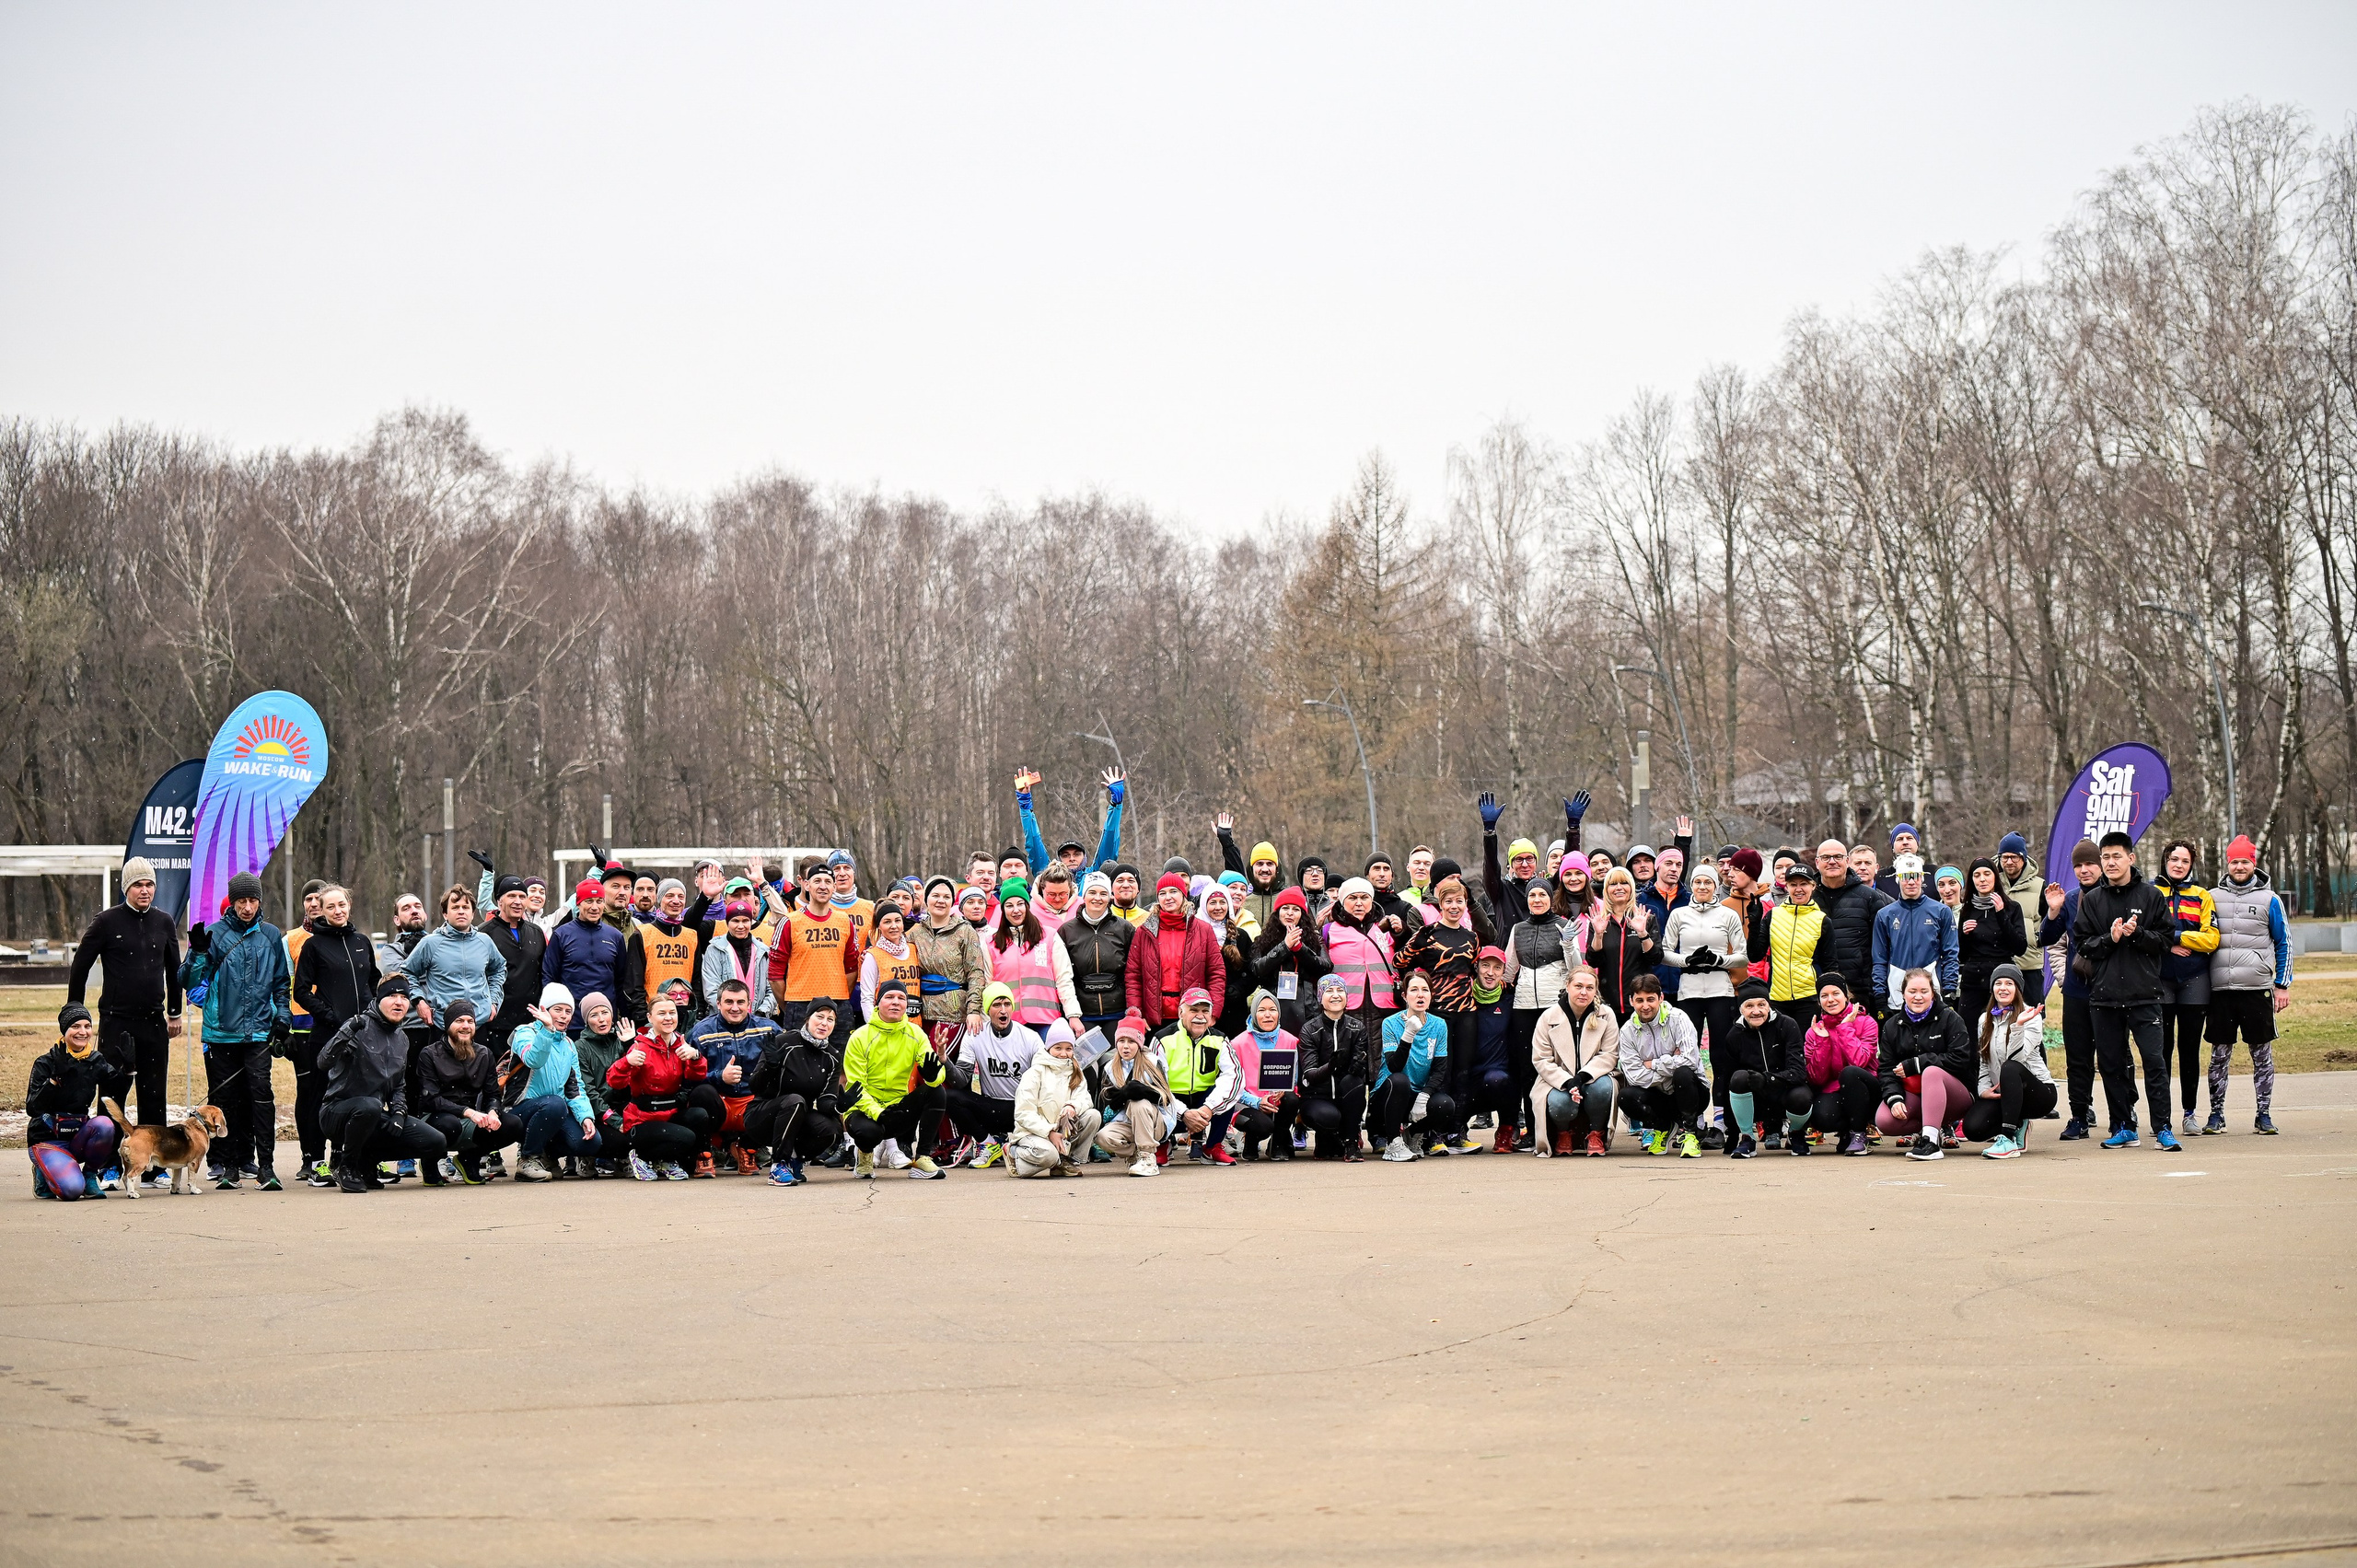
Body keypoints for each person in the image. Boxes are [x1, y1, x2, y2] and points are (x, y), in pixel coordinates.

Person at [178, 871, 291, 1189]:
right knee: (225, 1101)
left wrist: (283, 1017)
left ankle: (266, 1166)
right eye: (241, 900)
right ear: (232, 902)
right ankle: (228, 1166)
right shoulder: (214, 934)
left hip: (257, 1032)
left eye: (252, 900)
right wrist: (198, 953)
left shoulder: (270, 935)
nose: (247, 907)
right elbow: (186, 980)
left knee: (261, 1097)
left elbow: (282, 983)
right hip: (220, 1032)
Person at [2074, 830, 2179, 1151]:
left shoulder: (2151, 897)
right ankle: (2123, 1126)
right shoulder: (2092, 900)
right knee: (2111, 1065)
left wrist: (2137, 934)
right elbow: (2082, 945)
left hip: (2145, 994)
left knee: (2154, 1062)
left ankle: (2162, 1128)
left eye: (2116, 856)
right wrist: (2112, 939)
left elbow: (2165, 941)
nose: (2110, 862)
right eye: (2105, 857)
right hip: (2104, 997)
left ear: (2131, 858)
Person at [65, 854, 182, 1137]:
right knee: (112, 1094)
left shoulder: (164, 922)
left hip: (153, 1022)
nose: (145, 890)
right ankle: (108, 1165)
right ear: (126, 888)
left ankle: (155, 1167)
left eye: (150, 885)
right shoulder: (107, 922)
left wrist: (175, 1012)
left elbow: (174, 969)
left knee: (154, 1095)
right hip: (117, 1023)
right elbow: (80, 966)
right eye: (138, 885)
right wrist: (74, 1013)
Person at [317, 978, 449, 1193]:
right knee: (369, 1106)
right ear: (378, 999)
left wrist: (398, 1113)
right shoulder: (358, 1026)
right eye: (392, 996)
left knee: (435, 1141)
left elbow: (398, 1085)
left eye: (404, 997)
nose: (399, 1002)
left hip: (374, 1114)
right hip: (337, 1113)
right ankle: (347, 1166)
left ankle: (366, 1163)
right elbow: (323, 1062)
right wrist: (348, 1030)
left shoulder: (402, 1039)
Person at [289, 885, 380, 1186]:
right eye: (331, 907)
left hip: (363, 1037)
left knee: (356, 1099)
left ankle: (344, 1158)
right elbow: (301, 991)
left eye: (342, 905)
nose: (337, 911)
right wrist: (330, 1015)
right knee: (320, 1098)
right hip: (327, 1037)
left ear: (349, 905)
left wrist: (372, 1012)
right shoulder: (313, 946)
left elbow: (372, 983)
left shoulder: (362, 941)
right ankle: (316, 1162)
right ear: (322, 911)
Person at [1394, 874, 1492, 1153]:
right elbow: (1399, 961)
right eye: (1448, 901)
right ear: (1440, 904)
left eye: (1459, 901)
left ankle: (1457, 1131)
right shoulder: (1429, 933)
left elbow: (1474, 969)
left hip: (1466, 1011)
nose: (1454, 906)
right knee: (1442, 1072)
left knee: (1463, 1071)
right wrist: (1415, 940)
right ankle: (1432, 1134)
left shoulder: (1472, 937)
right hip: (1439, 1014)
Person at [2204, 833, 2290, 1135]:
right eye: (2235, 861)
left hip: (2256, 990)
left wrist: (2282, 984)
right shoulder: (2211, 897)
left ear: (2253, 863)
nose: (2239, 867)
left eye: (2245, 861)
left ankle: (2263, 1114)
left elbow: (2284, 943)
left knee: (2261, 1053)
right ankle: (2216, 1114)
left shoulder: (2270, 900)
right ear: (2227, 864)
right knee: (2219, 1055)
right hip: (2221, 991)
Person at [1662, 864, 1747, 1133]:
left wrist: (1720, 960)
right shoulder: (1679, 914)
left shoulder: (1727, 914)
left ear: (1714, 886)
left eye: (1707, 883)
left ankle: (1720, 1116)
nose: (1702, 887)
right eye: (1697, 882)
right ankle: (1694, 1114)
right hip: (1689, 993)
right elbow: (1664, 952)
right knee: (1689, 1056)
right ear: (1692, 885)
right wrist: (1686, 961)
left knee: (1721, 1056)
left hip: (1720, 991)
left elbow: (1743, 956)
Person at [842, 982, 949, 1179]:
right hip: (864, 1112)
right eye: (889, 997)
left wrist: (934, 1076)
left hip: (897, 1109)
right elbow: (856, 1088)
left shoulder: (916, 1033)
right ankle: (865, 1154)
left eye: (901, 998)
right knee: (868, 1133)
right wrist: (878, 1113)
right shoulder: (860, 1037)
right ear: (878, 1002)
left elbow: (933, 1072)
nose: (895, 1003)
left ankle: (923, 1157)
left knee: (937, 1092)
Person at [607, 994, 719, 1180]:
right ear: (650, 1018)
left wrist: (696, 1057)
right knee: (687, 1137)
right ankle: (640, 1156)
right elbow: (614, 1082)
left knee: (700, 1116)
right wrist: (627, 1061)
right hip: (642, 1119)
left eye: (672, 1013)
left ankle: (666, 1160)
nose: (668, 1018)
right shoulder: (640, 1046)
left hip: (670, 1113)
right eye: (662, 1013)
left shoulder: (680, 1043)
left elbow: (697, 1076)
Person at [413, 998, 523, 1184]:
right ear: (448, 1025)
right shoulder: (429, 1054)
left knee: (513, 1124)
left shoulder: (484, 1054)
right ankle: (430, 1161)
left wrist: (493, 1112)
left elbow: (492, 1094)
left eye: (470, 1021)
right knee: (449, 1125)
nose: (465, 1026)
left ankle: (469, 1158)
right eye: (459, 1021)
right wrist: (468, 1113)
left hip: (471, 1119)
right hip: (436, 1117)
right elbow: (431, 1099)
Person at [1873, 968, 1978, 1161]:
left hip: (1957, 1094)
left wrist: (1917, 1064)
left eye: (1924, 991)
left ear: (1933, 993)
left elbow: (1961, 1059)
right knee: (1884, 1121)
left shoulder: (1950, 1018)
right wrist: (1894, 1098)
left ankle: (1930, 1143)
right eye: (1912, 991)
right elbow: (1886, 1068)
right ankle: (1932, 1125)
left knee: (1931, 1072)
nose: (1918, 997)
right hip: (1917, 1094)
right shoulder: (1891, 1026)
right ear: (1903, 994)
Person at [2153, 841, 2221, 1138]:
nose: (2179, 865)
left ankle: (2190, 1113)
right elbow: (2145, 934)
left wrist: (2177, 939)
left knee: (2189, 1050)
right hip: (2160, 979)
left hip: (2195, 979)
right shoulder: (2152, 893)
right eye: (2174, 859)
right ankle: (2162, 1117)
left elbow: (2212, 939)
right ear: (2165, 860)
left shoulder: (2203, 896)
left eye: (2185, 861)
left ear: (2192, 865)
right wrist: (2172, 941)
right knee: (2162, 1050)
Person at [743, 1001, 851, 1186]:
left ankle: (796, 1159)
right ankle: (778, 1165)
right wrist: (770, 1066)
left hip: (799, 1118)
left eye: (830, 1019)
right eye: (820, 1017)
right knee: (795, 1101)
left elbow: (826, 1099)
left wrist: (838, 1106)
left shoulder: (832, 1056)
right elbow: (755, 1087)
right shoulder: (783, 1042)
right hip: (762, 1116)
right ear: (807, 1019)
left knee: (832, 1129)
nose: (825, 1023)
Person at [1500, 877, 1572, 1150]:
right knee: (1528, 1071)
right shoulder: (1518, 929)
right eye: (1532, 895)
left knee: (1560, 1067)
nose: (1537, 900)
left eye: (1543, 894)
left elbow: (1576, 966)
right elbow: (1508, 970)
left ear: (1551, 898)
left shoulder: (1564, 926)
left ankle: (1562, 1129)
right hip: (1524, 1007)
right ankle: (1533, 1130)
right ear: (1527, 899)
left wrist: (1568, 944)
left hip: (1556, 1007)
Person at [505, 984, 603, 1180]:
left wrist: (586, 1117)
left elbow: (575, 1089)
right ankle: (528, 1158)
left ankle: (546, 1155)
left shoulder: (568, 1045)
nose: (564, 1016)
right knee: (554, 1103)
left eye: (568, 1011)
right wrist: (548, 1031)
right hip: (519, 1111)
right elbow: (534, 1060)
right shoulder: (524, 1032)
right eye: (557, 1010)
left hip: (553, 1112)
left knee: (591, 1143)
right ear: (545, 1010)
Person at [1960, 965, 2058, 1158]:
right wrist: (1983, 1090)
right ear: (1992, 989)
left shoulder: (2031, 1016)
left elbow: (2017, 1060)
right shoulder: (1984, 1020)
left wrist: (2018, 1025)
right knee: (1973, 1129)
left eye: (2009, 983)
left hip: (2038, 1094)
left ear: (2018, 989)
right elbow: (1984, 1062)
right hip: (2004, 1093)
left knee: (2010, 1067)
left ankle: (2007, 1139)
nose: (2003, 988)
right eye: (1998, 983)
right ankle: (2018, 1121)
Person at [682, 983, 780, 1175]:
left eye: (740, 1002)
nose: (735, 1008)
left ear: (749, 1004)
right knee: (701, 1093)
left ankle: (747, 1148)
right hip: (720, 1104)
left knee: (782, 1095)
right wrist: (720, 1077)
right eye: (729, 1002)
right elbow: (687, 1078)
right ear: (718, 1004)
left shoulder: (769, 1029)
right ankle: (704, 1154)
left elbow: (788, 1065)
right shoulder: (701, 1032)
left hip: (752, 1103)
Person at [26, 1005, 121, 1201]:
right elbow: (32, 1108)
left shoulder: (95, 1060)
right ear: (65, 1030)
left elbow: (116, 1087)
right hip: (47, 1140)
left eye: (87, 1026)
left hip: (78, 1138)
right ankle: (43, 1173)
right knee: (72, 1191)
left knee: (104, 1124)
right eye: (76, 1026)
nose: (83, 1032)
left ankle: (90, 1175)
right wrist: (54, 1079)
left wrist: (128, 1069)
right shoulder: (46, 1062)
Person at [946, 982, 1041, 1168]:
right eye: (997, 1005)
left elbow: (1045, 1081)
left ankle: (1017, 1143)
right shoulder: (975, 1035)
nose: (1003, 1010)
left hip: (1024, 1109)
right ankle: (987, 1143)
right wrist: (944, 1059)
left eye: (1007, 1004)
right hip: (992, 1108)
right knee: (949, 1097)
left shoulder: (1030, 1037)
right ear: (988, 1010)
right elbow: (960, 1080)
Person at [1528, 967, 1620, 1157]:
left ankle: (1596, 1134)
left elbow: (1610, 1055)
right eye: (1578, 986)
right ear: (1567, 986)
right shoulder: (1548, 1017)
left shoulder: (1606, 1014)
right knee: (1560, 1102)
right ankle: (1563, 1134)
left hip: (1593, 1078)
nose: (1583, 992)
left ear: (1596, 991)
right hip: (1557, 1081)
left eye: (1589, 987)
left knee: (1604, 1088)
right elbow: (1542, 1059)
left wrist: (1582, 1076)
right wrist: (1567, 1082)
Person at [1152, 987, 1244, 1166]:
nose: (1200, 1016)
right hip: (1171, 1103)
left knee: (1228, 1092)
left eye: (1205, 1011)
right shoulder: (1162, 1038)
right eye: (1193, 1010)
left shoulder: (1220, 1039)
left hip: (1204, 1105)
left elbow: (1234, 1077)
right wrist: (1184, 1113)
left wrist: (1208, 1108)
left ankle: (1212, 1147)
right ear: (1181, 1012)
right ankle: (1161, 1145)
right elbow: (1156, 1083)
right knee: (1152, 1096)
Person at [1716, 979, 1807, 1158]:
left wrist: (1769, 1079)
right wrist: (1732, 1134)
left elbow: (1798, 1071)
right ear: (1741, 1009)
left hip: (1785, 1094)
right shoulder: (1734, 1035)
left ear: (1769, 1006)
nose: (1756, 1011)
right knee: (1738, 1077)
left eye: (1761, 1005)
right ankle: (1747, 1138)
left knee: (1802, 1097)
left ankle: (1796, 1133)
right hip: (1756, 1101)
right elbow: (1728, 1083)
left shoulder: (1787, 1025)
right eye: (1749, 1006)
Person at [1618, 975, 1705, 1157]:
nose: (1645, 1006)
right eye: (1639, 1000)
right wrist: (1671, 1063)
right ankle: (1663, 1126)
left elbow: (1690, 1060)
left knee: (1683, 1073)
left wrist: (1653, 1064)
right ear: (1631, 1001)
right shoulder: (1627, 1031)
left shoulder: (1679, 1018)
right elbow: (1634, 1076)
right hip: (1659, 1094)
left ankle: (1690, 1133)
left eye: (1651, 999)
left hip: (1693, 1092)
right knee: (1626, 1097)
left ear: (1661, 998)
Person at [1373, 971, 1456, 1161]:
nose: (1420, 995)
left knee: (1445, 1105)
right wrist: (1408, 1034)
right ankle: (1393, 1144)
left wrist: (1425, 1095)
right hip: (1389, 1096)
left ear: (1431, 996)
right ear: (1404, 996)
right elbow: (1394, 1066)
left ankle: (1412, 1136)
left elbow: (1440, 1068)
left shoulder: (1439, 1025)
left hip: (1418, 1095)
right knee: (1400, 1080)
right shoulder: (1390, 1023)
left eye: (1425, 990)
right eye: (1414, 990)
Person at [1125, 872, 1225, 1030]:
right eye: (1162, 893)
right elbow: (1133, 976)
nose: (1168, 897)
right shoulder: (1144, 932)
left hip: (1194, 1016)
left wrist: (1212, 1012)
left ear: (1183, 895)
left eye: (1173, 891)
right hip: (1153, 1021)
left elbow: (1216, 973)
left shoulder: (1203, 930)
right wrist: (1137, 1014)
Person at [772, 865, 860, 1033]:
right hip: (799, 1005)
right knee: (798, 1059)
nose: (823, 886)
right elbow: (775, 973)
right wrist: (790, 1005)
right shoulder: (790, 922)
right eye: (817, 881)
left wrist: (837, 999)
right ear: (806, 885)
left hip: (837, 1005)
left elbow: (851, 968)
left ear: (834, 887)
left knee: (838, 1059)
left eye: (828, 881)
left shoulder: (845, 922)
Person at [1295, 973, 1374, 1161]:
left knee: (1354, 1081)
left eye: (1340, 990)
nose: (1336, 995)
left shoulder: (1357, 1027)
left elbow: (1359, 1073)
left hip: (1345, 1097)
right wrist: (1331, 1066)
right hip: (1317, 1097)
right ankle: (1327, 1136)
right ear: (1321, 998)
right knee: (1328, 1118)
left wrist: (1357, 1066)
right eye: (1329, 991)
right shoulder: (1310, 1029)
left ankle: (1351, 1143)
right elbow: (1309, 1074)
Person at [1870, 854, 1959, 1016]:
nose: (1911, 881)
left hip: (1932, 993)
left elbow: (1950, 954)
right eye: (1905, 877)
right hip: (1896, 995)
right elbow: (1879, 959)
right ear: (1898, 879)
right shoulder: (1885, 915)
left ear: (1921, 879)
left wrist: (1950, 990)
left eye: (1915, 876)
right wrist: (1880, 996)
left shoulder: (1941, 911)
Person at [1802, 974, 1881, 1156]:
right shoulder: (1814, 1031)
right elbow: (1816, 1078)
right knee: (1822, 1116)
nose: (1830, 1000)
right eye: (1824, 995)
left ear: (1846, 996)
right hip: (1835, 1089)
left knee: (1850, 1073)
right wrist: (1822, 1041)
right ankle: (1846, 1133)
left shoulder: (1867, 1022)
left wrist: (1845, 1028)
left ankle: (1859, 1134)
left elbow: (1859, 1062)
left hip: (1867, 1088)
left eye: (1835, 993)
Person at [911, 877, 990, 1055]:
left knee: (935, 1065)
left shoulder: (964, 931)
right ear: (926, 898)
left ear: (952, 901)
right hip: (920, 1014)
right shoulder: (915, 933)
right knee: (920, 1068)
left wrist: (973, 1010)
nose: (940, 901)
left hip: (953, 1013)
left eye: (946, 897)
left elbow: (976, 973)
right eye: (935, 895)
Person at [988, 879, 1080, 1031]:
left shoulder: (1049, 936)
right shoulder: (991, 943)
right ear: (1003, 910)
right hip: (1008, 1024)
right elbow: (987, 985)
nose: (1016, 910)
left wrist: (1073, 1015)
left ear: (1027, 906)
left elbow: (1064, 979)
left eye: (1020, 904)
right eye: (1009, 906)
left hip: (1046, 1021)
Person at [1007, 1028, 1100, 1179]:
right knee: (1049, 1156)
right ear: (1048, 1048)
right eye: (1058, 1048)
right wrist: (1049, 1132)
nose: (1063, 1054)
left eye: (1068, 1048)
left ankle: (1065, 1161)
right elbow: (1023, 1113)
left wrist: (1072, 1105)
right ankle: (1013, 1153)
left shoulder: (1075, 1071)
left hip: (1061, 1131)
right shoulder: (1034, 1073)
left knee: (1093, 1116)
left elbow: (1085, 1099)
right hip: (1034, 1132)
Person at [1814, 839, 1891, 1016]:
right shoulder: (1807, 898)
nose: (1832, 861)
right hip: (1817, 992)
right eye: (1826, 857)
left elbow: (1882, 947)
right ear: (1817, 863)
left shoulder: (1869, 898)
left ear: (1847, 861)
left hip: (1860, 991)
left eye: (1838, 857)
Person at [541, 880, 627, 1034]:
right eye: (589, 901)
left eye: (599, 901)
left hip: (605, 1022)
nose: (594, 907)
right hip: (571, 1022)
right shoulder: (562, 934)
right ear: (578, 904)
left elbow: (621, 982)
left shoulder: (615, 937)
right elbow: (549, 978)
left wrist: (625, 1016)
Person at [1320, 877, 1399, 1041]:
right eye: (1352, 898)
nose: (1359, 903)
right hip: (1346, 1008)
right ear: (1342, 902)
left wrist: (1403, 932)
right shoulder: (1329, 931)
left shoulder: (1387, 928)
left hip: (1386, 1008)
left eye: (1364, 897)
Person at [1091, 1011, 1170, 1177]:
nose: (1125, 1046)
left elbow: (1165, 1100)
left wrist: (1144, 1091)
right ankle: (1134, 1155)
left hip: (1154, 1122)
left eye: (1131, 1041)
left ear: (1140, 1043)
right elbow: (1107, 1109)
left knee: (1137, 1102)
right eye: (1121, 1041)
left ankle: (1148, 1156)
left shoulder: (1153, 1062)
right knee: (1102, 1137)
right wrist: (1123, 1095)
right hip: (1125, 1122)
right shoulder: (1109, 1067)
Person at [1230, 989, 1302, 1161]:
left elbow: (1294, 1077)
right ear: (1254, 1013)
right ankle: (1251, 1141)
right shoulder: (1237, 1043)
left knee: (1292, 1098)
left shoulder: (1290, 1040)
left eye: (1273, 1010)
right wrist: (1256, 1101)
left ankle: (1277, 1143)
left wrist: (1285, 1090)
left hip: (1277, 1100)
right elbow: (1233, 1086)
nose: (1268, 1015)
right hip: (1246, 1103)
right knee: (1262, 1126)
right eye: (1262, 1010)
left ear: (1279, 1013)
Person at [621, 879, 703, 1029]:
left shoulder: (692, 936)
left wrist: (697, 1015)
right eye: (670, 896)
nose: (676, 901)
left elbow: (697, 982)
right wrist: (642, 1019)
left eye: (681, 896)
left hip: (685, 1020)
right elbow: (633, 984)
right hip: (653, 1019)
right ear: (659, 900)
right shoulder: (642, 934)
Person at [1019, 767, 1127, 879]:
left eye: (1076, 854)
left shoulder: (1095, 877)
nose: (1071, 858)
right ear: (1059, 859)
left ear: (1084, 857)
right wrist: (1025, 805)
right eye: (1066, 855)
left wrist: (1116, 803)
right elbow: (1034, 842)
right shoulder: (1050, 878)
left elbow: (1109, 839)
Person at [480, 875, 549, 1051]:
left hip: (531, 1022)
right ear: (499, 901)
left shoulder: (537, 933)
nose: (518, 901)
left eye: (522, 897)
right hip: (495, 1024)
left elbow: (544, 973)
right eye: (512, 896)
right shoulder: (484, 934)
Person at [1956, 858, 2027, 1023]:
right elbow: (1962, 956)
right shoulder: (1967, 909)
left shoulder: (2012, 907)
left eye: (1987, 874)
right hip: (1973, 978)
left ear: (1995, 877)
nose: (1982, 879)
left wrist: (2001, 913)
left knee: (2005, 1027)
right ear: (1972, 880)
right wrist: (1965, 935)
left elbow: (2019, 947)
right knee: (1968, 1030)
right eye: (1977, 875)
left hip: (2001, 975)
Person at [1248, 886, 1327, 1034]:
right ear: (1277, 912)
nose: (1290, 913)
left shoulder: (1315, 939)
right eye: (1285, 908)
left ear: (1302, 915)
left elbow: (1325, 967)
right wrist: (1285, 946)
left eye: (1295, 909)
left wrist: (1300, 949)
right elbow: (1257, 969)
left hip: (1307, 1007)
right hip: (1272, 1004)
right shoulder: (1263, 939)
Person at [1584, 867, 1658, 1016]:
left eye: (1624, 883)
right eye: (1613, 884)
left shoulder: (1646, 918)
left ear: (1631, 887)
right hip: (1608, 1003)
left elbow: (1655, 958)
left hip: (1639, 1003)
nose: (1619, 888)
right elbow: (1593, 961)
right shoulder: (1600, 920)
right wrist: (1598, 935)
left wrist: (1642, 933)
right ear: (1606, 889)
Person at [1762, 861, 1826, 1026]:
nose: (1798, 889)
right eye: (1793, 884)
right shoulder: (1773, 915)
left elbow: (1829, 964)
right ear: (1787, 887)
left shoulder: (1822, 920)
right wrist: (1755, 925)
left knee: (1807, 1049)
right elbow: (1755, 954)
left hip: (1809, 998)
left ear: (1813, 886)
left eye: (1804, 884)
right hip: (1777, 998)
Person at [701, 898, 774, 1021]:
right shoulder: (714, 949)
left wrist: (761, 1013)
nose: (741, 926)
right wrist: (732, 1012)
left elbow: (771, 989)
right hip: (723, 1021)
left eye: (745, 921)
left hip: (757, 1021)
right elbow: (711, 989)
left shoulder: (764, 951)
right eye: (735, 921)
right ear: (727, 922)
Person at [1996, 831, 2048, 1004]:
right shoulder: (1990, 883)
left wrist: (2036, 940)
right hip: (1998, 962)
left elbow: (2048, 922)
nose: (2009, 862)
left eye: (2014, 857)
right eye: (2005, 857)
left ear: (2024, 858)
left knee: (2032, 1017)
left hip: (2030, 964)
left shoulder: (2040, 886)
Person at [1214, 813, 1284, 932]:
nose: (1265, 869)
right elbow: (1235, 877)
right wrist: (1227, 845)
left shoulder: (1287, 900)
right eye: (1259, 864)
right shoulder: (1242, 901)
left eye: (1270, 864)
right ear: (1252, 869)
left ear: (1277, 869)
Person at [859, 903, 926, 1018]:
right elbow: (867, 998)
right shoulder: (872, 956)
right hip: (886, 1026)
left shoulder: (914, 949)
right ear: (879, 926)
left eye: (897, 920)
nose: (894, 926)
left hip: (914, 1026)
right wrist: (874, 1027)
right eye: (887, 922)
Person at [1873, 823, 1922, 897]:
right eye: (1900, 839)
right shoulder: (1880, 877)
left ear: (1917, 844)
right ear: (1893, 847)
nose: (1905, 842)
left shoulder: (1931, 873)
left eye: (1909, 838)